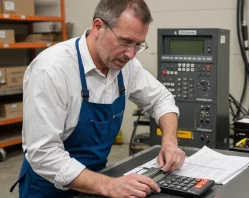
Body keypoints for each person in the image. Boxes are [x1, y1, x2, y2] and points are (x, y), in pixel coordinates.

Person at [10, 0, 186, 197]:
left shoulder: (126, 65)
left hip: (95, 181)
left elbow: (161, 99)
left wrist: (170, 142)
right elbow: (43, 153)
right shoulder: (51, 71)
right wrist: (109, 186)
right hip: (48, 189)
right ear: (98, 27)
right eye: (125, 42)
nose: (130, 54)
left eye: (138, 45)